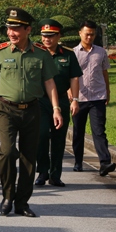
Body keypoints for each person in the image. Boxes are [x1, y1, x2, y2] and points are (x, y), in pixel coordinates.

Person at [0, 8, 62, 218]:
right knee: (8, 153)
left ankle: (22, 202)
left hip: (32, 110)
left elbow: (49, 82)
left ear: (28, 29)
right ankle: (8, 194)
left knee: (29, 158)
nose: (11, 33)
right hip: (6, 109)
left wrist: (56, 108)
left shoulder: (41, 54)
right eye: (9, 28)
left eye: (16, 29)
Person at [34, 19, 81, 188]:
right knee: (41, 136)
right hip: (39, 100)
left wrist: (75, 99)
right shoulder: (36, 52)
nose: (47, 39)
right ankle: (42, 172)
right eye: (44, 36)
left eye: (51, 36)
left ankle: (55, 175)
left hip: (61, 100)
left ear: (59, 36)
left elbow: (74, 77)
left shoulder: (67, 54)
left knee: (58, 138)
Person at [71, 20, 116, 176]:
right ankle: (78, 161)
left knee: (98, 131)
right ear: (80, 33)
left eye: (92, 34)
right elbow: (70, 76)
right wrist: (71, 94)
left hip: (98, 96)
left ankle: (105, 162)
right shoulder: (73, 53)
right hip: (79, 98)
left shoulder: (101, 52)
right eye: (87, 34)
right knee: (78, 131)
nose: (89, 37)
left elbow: (104, 73)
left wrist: (108, 92)